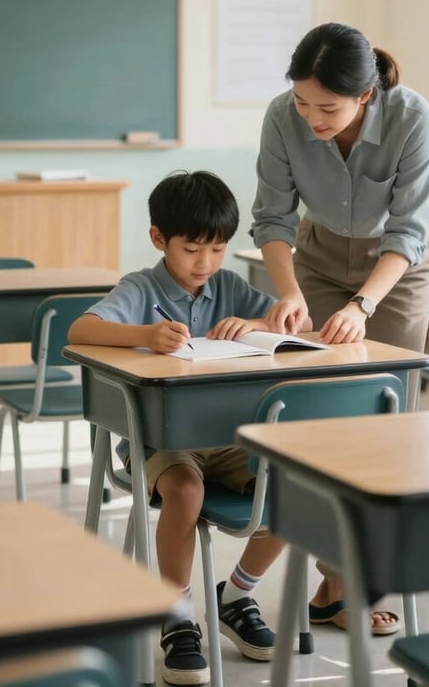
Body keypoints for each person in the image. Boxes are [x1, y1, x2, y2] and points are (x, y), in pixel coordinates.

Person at [69, 169, 301, 686]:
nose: (206, 263)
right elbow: (80, 328)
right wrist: (146, 336)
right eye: (193, 249)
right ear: (159, 239)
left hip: (225, 437)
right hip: (158, 439)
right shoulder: (141, 287)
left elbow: (295, 324)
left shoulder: (229, 286)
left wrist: (260, 324)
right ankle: (176, 616)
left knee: (299, 481)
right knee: (185, 489)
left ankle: (236, 596)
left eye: (217, 250)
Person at [251, 21, 429, 633]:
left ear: (365, 96)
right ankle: (339, 582)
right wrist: (289, 292)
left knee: (387, 414)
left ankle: (362, 573)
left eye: (326, 106)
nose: (311, 118)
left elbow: (408, 229)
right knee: (324, 416)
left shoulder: (410, 117)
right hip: (319, 259)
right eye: (302, 102)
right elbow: (273, 218)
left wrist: (362, 306)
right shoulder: (283, 116)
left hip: (396, 270)